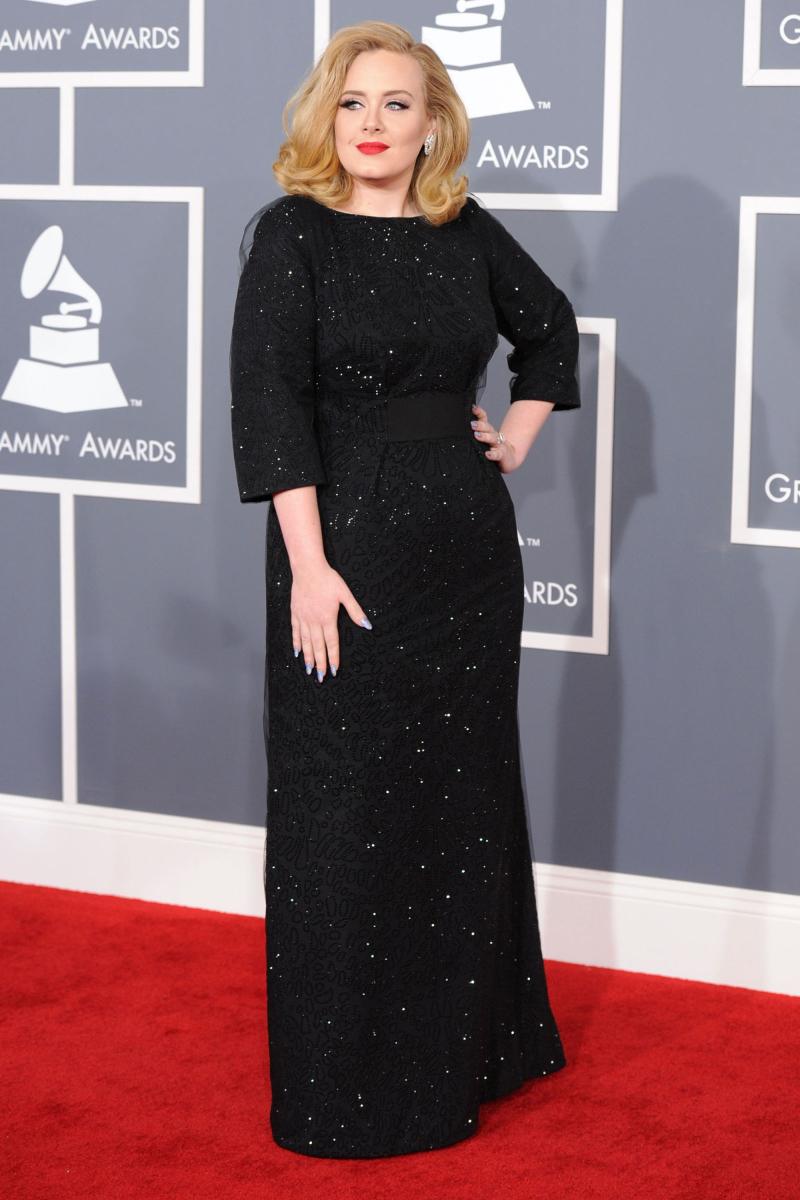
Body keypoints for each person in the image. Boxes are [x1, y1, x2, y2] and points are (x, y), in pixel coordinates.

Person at [229, 19, 580, 1160]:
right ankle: (346, 1088)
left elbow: (550, 335)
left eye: (396, 104)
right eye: (353, 103)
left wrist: (513, 439)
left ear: (433, 125)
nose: (372, 124)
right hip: (343, 552)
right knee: (341, 811)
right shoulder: (291, 235)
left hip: (465, 557)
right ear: (324, 118)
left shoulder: (463, 230)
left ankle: (469, 1053)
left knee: (457, 804)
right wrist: (309, 566)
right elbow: (272, 405)